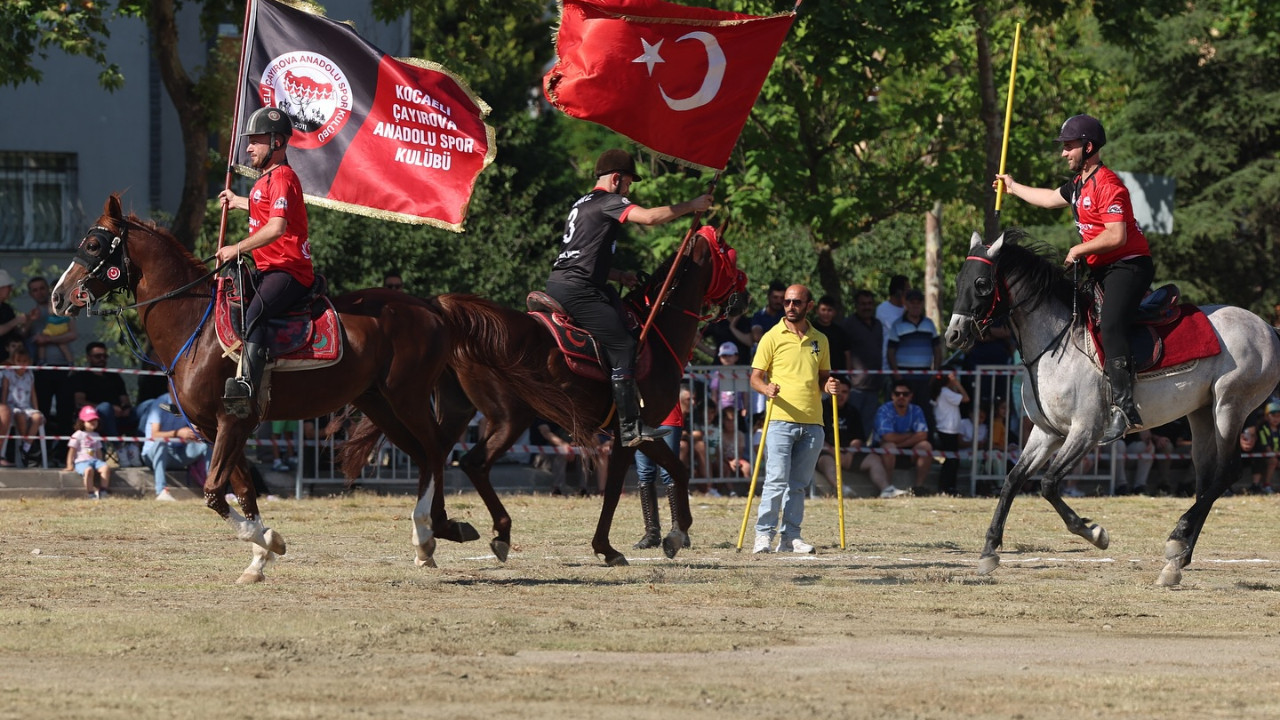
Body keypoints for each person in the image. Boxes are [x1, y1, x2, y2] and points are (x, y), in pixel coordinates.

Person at [994, 114, 1154, 444]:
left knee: (1109, 325)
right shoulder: (1079, 183)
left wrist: (1078, 249)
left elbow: (1117, 235)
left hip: (1129, 266)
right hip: (1103, 268)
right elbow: (1050, 199)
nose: (1064, 153)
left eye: (1069, 147)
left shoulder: (1108, 185)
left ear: (1089, 146)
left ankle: (1125, 409)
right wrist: (1012, 187)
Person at [544, 148, 712, 448]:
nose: (629, 189)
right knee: (623, 343)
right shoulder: (609, 200)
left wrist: (619, 276)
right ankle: (629, 426)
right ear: (617, 179)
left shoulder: (580, 203)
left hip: (560, 283)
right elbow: (647, 218)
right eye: (629, 183)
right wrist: (692, 205)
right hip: (580, 290)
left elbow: (582, 256)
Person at [216, 106, 315, 417]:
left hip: (290, 270)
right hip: (268, 269)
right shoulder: (265, 180)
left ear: (276, 143)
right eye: (250, 141)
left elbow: (277, 226)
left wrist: (237, 248)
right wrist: (237, 202)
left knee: (255, 312)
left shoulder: (284, 177)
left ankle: (247, 387)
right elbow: (264, 210)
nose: (248, 147)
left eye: (256, 141)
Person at [750, 284, 840, 554]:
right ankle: (763, 536)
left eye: (796, 302)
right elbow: (755, 377)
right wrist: (765, 388)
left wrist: (829, 386)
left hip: (813, 421)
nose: (790, 307)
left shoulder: (820, 339)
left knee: (799, 485)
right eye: (787, 302)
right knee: (775, 481)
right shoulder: (771, 336)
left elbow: (823, 377)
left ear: (808, 306)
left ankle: (790, 536)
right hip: (780, 419)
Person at [814, 375, 889, 497]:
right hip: (826, 453)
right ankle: (843, 491)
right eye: (838, 391)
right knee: (827, 461)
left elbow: (858, 437)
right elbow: (818, 436)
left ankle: (886, 489)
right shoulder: (821, 409)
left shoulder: (852, 411)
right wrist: (836, 454)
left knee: (874, 459)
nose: (840, 395)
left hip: (849, 454)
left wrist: (850, 454)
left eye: (845, 392)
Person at [886, 289, 942, 433]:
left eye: (918, 303)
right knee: (903, 410)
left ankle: (928, 445)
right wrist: (897, 374)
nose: (915, 306)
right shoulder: (897, 325)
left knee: (925, 410)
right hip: (904, 377)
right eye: (912, 303)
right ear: (906, 304)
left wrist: (935, 372)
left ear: (922, 304)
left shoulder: (929, 324)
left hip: (924, 377)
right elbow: (890, 352)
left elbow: (937, 349)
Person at [633, 402, 685, 549]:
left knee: (669, 472)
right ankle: (652, 533)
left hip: (667, 416)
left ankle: (678, 530)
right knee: (645, 474)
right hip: (640, 419)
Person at [66, 342, 138, 443]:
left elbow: (125, 400)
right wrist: (110, 409)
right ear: (88, 358)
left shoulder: (114, 377)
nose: (102, 359)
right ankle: (118, 446)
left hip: (119, 416)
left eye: (105, 356)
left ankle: (136, 447)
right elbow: (80, 402)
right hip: (97, 418)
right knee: (105, 407)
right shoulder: (81, 377)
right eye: (97, 356)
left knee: (146, 407)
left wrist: (125, 408)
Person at [141, 393, 209, 501]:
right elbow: (155, 435)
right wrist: (178, 433)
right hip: (153, 455)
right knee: (161, 442)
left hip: (179, 452)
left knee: (206, 444)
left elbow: (195, 427)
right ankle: (161, 491)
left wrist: (196, 432)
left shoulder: (188, 402)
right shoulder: (160, 404)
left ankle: (212, 488)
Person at [871, 382, 933, 497]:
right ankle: (887, 488)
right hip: (884, 451)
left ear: (911, 396)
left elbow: (923, 435)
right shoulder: (884, 410)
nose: (901, 397)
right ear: (892, 395)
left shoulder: (916, 410)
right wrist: (912, 435)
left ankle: (918, 487)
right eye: (897, 393)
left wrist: (900, 445)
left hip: (906, 450)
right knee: (889, 446)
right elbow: (887, 437)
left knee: (926, 446)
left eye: (905, 394)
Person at [841, 288, 884, 440]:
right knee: (850, 426)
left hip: (873, 387)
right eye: (863, 304)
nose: (867, 307)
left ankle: (861, 458)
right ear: (856, 306)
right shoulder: (848, 324)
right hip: (854, 387)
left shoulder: (878, 324)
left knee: (867, 427)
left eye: (869, 303)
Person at [1, 344, 45, 467]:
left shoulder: (30, 375)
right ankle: (30, 447)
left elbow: (33, 393)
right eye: (18, 361)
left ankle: (26, 447)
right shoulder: (8, 374)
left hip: (26, 406)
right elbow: (4, 392)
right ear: (13, 361)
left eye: (24, 362)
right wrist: (4, 407)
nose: (21, 364)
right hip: (12, 406)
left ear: (29, 362)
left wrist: (37, 409)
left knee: (37, 417)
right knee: (19, 416)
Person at [930, 369, 969, 495]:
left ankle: (948, 487)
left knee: (952, 459)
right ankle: (946, 487)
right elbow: (966, 398)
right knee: (951, 460)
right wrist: (957, 384)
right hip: (948, 430)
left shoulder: (942, 392)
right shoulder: (946, 392)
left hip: (947, 429)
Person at [67, 405, 110, 499]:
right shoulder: (78, 434)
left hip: (95, 460)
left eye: (95, 420)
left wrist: (100, 461)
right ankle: (90, 493)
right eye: (90, 420)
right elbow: (72, 450)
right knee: (88, 470)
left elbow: (98, 450)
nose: (93, 422)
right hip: (81, 462)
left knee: (105, 467)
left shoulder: (96, 435)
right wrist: (70, 464)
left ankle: (103, 490)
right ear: (82, 422)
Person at [812, 295, 852, 373]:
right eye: (823, 310)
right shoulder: (810, 329)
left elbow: (847, 354)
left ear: (834, 312)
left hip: (837, 375)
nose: (826, 313)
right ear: (817, 311)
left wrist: (848, 374)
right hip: (815, 373)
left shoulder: (840, 332)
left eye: (829, 310)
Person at [1248, 401, 1280, 494]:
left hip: (1275, 454)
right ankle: (1266, 485)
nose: (1276, 419)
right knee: (1273, 461)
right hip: (1265, 455)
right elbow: (1265, 444)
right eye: (1273, 416)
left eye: (1278, 416)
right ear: (1266, 417)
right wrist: (1273, 455)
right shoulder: (1263, 428)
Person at [0, 270, 27, 362]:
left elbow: (17, 333)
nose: (11, 290)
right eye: (8, 287)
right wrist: (16, 321)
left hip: (7, 361)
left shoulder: (7, 308)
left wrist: (29, 320)